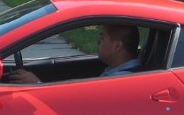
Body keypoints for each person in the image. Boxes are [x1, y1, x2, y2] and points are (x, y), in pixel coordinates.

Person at [8, 24, 141, 83]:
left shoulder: (120, 80)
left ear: (118, 45)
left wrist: (37, 85)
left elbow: (81, 104)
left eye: (102, 38)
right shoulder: (115, 71)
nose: (98, 42)